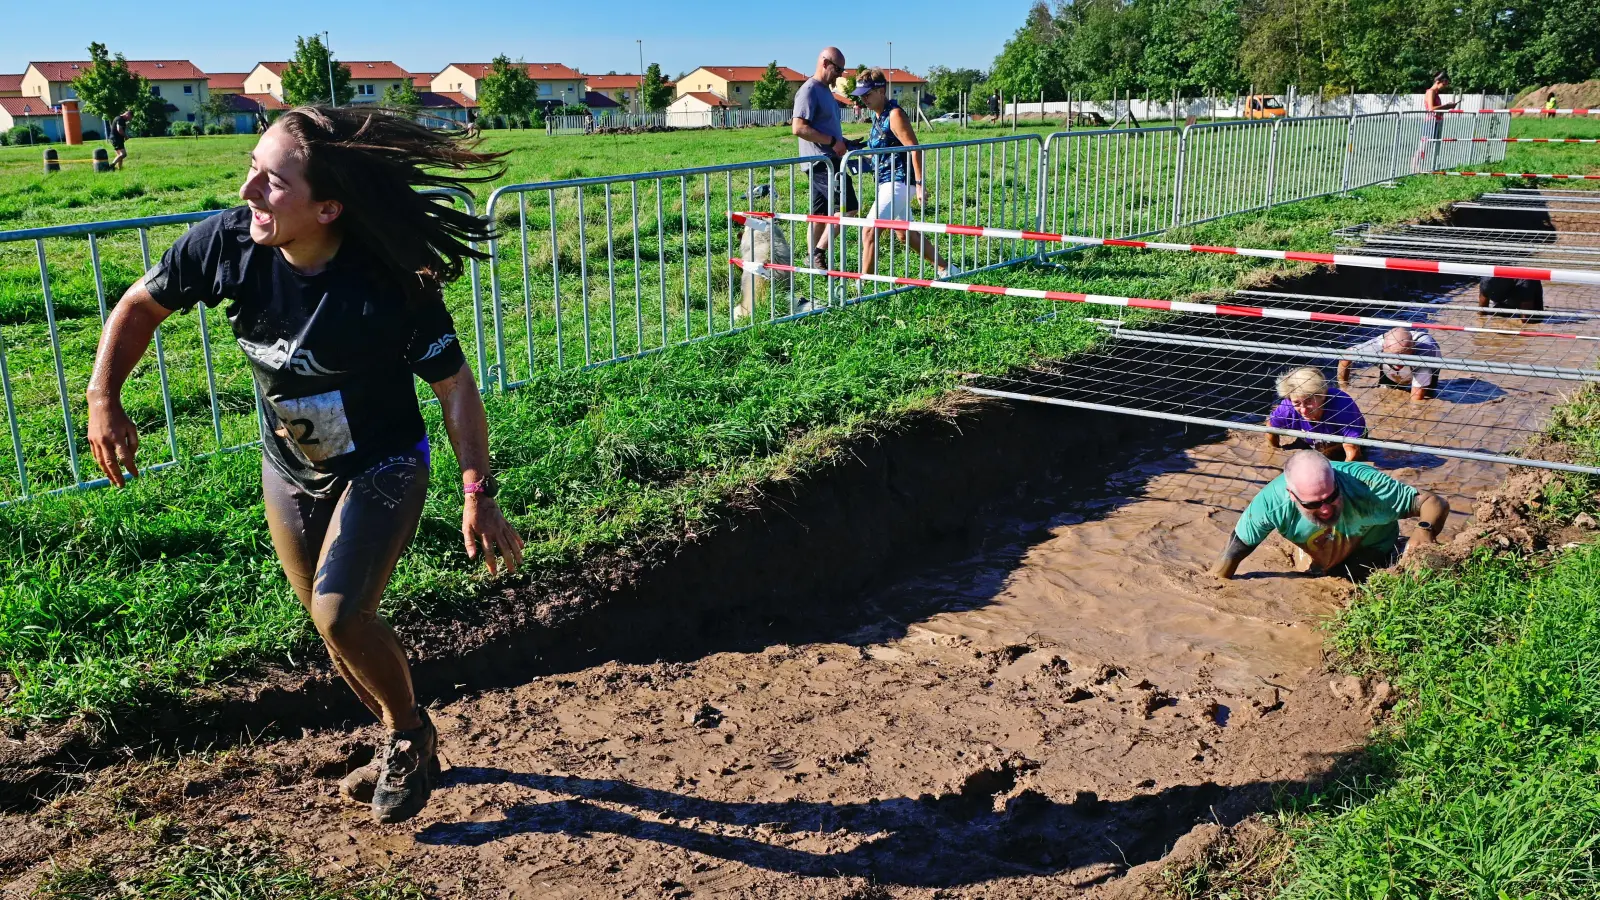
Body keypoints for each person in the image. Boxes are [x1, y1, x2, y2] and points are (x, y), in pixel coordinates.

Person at [85, 106, 525, 824]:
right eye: (252, 170)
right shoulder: (226, 244)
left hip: (382, 463)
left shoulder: (387, 282)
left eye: (272, 181)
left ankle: (412, 734)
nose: (249, 191)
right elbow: (139, 305)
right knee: (331, 629)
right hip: (289, 465)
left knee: (341, 614)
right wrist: (105, 395)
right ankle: (395, 735)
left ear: (328, 207)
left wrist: (477, 490)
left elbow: (456, 387)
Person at [1210, 450, 1449, 579]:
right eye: (1314, 504)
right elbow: (1229, 558)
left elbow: (1434, 502)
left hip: (1373, 551)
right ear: (1292, 496)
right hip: (1319, 551)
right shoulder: (1270, 505)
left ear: (1336, 480)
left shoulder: (1368, 486)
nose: (1325, 508)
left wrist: (1424, 530)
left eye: (1331, 496)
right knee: (1315, 576)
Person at [851, 69, 958, 279]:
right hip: (886, 181)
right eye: (861, 95)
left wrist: (919, 184)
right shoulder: (877, 116)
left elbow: (914, 148)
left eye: (867, 93)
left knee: (870, 231)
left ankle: (864, 287)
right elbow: (883, 149)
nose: (863, 98)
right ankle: (947, 269)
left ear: (881, 90)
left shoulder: (895, 114)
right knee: (905, 234)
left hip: (899, 182)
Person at [792, 46, 859, 271]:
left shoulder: (825, 91)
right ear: (824, 63)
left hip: (826, 159)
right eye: (837, 69)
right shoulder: (809, 90)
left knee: (819, 215)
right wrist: (832, 142)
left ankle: (810, 259)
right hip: (823, 162)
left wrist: (843, 142)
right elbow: (799, 128)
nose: (840, 74)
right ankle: (817, 254)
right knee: (849, 207)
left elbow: (823, 126)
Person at [1265, 367, 1367, 462]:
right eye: (1297, 402)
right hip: (1311, 440)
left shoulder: (1342, 406)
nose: (1303, 410)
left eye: (1309, 401)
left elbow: (1353, 451)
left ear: (1322, 396)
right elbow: (1270, 428)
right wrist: (1276, 451)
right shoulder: (1287, 408)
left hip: (1345, 441)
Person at [1337, 326, 1443, 401]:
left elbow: (1416, 399)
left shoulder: (1425, 354)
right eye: (1394, 357)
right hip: (1389, 359)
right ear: (1384, 348)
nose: (1398, 363)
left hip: (1425, 362)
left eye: (1403, 357)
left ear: (1413, 349)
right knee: (1385, 395)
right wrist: (1344, 386)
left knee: (1428, 397)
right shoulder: (1374, 348)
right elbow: (1346, 356)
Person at [1417, 73, 1457, 170]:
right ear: (1438, 81)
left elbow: (1438, 109)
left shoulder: (1436, 93)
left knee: (1432, 146)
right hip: (1430, 122)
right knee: (1424, 147)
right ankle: (1415, 168)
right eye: (1444, 84)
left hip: (1437, 122)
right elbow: (1431, 108)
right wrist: (1447, 106)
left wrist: (1448, 107)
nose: (1445, 87)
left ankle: (1431, 168)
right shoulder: (1431, 92)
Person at [1478, 275, 1544, 313]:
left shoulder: (1526, 284)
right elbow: (1481, 313)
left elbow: (1526, 320)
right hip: (1504, 292)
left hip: (1525, 293)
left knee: (1534, 319)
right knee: (1499, 315)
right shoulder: (1486, 282)